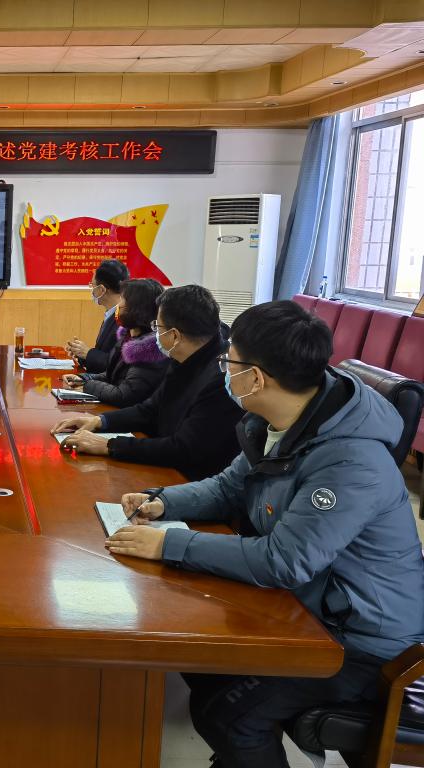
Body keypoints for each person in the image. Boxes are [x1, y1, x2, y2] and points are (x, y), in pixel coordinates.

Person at [105, 300, 424, 768]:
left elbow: (284, 560)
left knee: (229, 715)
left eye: (228, 360)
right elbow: (229, 486)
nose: (224, 370)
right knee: (202, 663)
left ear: (254, 378)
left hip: (363, 641)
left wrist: (170, 543)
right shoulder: (284, 422)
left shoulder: (351, 461)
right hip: (309, 605)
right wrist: (164, 501)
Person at [52, 285, 241, 481]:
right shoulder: (184, 357)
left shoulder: (222, 378)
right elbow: (149, 410)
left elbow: (184, 448)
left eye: (158, 327)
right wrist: (99, 421)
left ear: (174, 336)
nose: (155, 333)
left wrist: (108, 445)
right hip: (166, 466)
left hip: (189, 479)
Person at [61, 278, 167, 407]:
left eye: (122, 299)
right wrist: (84, 378)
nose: (118, 305)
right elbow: (112, 375)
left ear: (136, 308)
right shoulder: (127, 336)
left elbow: (123, 396)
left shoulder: (149, 350)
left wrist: (87, 385)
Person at [66, 259, 128, 373]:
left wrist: (88, 353)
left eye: (92, 285)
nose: (91, 290)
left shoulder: (125, 319)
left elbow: (118, 365)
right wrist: (81, 353)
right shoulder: (112, 313)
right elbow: (103, 355)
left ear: (102, 289)